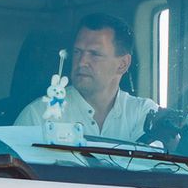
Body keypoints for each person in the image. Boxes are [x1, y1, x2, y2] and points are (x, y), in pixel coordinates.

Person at [13, 13, 159, 144]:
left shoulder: (145, 115)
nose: (81, 62)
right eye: (77, 52)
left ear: (122, 64)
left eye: (94, 54)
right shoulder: (38, 116)